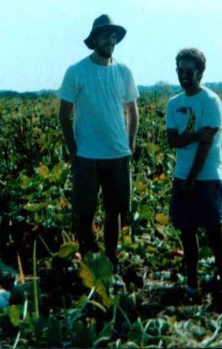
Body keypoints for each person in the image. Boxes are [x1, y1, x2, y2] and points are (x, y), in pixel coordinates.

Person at [59, 14, 139, 270]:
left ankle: (111, 261)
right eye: (105, 35)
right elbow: (64, 114)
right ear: (94, 39)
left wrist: (130, 145)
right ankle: (89, 264)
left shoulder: (124, 71)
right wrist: (73, 151)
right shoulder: (76, 71)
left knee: (114, 212)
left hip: (117, 153)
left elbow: (133, 112)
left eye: (114, 35)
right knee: (85, 212)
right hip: (87, 155)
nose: (111, 39)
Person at [165, 48, 222, 302]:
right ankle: (192, 286)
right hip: (181, 175)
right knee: (186, 231)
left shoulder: (211, 102)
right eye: (180, 71)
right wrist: (193, 135)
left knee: (214, 230)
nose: (184, 76)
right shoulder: (175, 103)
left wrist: (192, 179)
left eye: (189, 71)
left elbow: (207, 146)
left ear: (200, 72)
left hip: (207, 177)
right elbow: (173, 140)